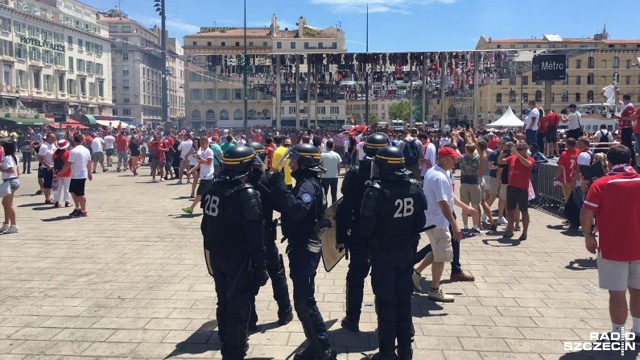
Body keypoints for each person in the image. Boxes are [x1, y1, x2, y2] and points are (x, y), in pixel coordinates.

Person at [268, 143, 337, 360]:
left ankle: (322, 349)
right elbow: (290, 207)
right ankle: (316, 346)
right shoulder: (305, 183)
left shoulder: (308, 186)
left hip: (305, 249)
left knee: (304, 301)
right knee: (302, 300)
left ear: (304, 163)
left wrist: (280, 187)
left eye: (293, 160)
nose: (289, 163)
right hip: (301, 247)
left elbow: (298, 210)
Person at [358, 145, 427, 360]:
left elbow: (365, 229)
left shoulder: (375, 192)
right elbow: (421, 223)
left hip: (383, 254)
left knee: (387, 302)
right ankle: (406, 350)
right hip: (406, 254)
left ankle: (387, 352)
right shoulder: (414, 188)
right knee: (404, 301)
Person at [200, 145, 268, 360]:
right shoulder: (246, 193)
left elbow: (205, 226)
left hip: (218, 254)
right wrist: (261, 266)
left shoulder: (213, 188)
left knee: (223, 301)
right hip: (238, 257)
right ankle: (234, 352)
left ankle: (226, 343)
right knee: (239, 306)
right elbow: (256, 236)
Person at [581, 145, 640, 343]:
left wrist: (589, 235)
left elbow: (586, 213)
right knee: (638, 290)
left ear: (609, 162)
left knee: (617, 292)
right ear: (630, 161)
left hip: (613, 247)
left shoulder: (602, 184)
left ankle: (618, 333)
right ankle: (638, 331)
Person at [336, 132, 389, 333]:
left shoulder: (356, 173)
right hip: (385, 236)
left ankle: (352, 319)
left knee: (356, 277)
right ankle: (384, 323)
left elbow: (344, 207)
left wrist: (341, 237)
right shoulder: (394, 175)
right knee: (383, 279)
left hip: (359, 233)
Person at [414, 147, 477, 302]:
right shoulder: (439, 177)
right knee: (441, 256)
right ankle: (435, 289)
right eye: (452, 158)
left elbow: (449, 197)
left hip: (435, 220)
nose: (455, 161)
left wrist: (465, 207)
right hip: (437, 221)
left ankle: (416, 272)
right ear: (443, 159)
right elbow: (443, 203)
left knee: (438, 251)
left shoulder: (441, 172)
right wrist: (454, 224)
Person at [245, 141, 293, 330]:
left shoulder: (243, 182)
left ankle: (250, 319)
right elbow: (283, 207)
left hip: (248, 238)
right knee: (277, 274)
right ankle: (285, 311)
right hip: (264, 236)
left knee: (248, 278)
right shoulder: (266, 180)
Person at [499, 141, 534, 240]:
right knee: (509, 210)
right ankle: (510, 230)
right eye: (516, 148)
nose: (517, 151)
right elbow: (501, 161)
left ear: (526, 149)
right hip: (511, 187)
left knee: (524, 211)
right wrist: (501, 153)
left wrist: (517, 154)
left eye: (520, 149)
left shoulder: (529, 158)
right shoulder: (512, 158)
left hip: (522, 188)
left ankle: (524, 232)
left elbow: (528, 164)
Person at [62, 134, 93, 217]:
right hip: (79, 174)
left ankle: (83, 210)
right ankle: (77, 208)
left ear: (74, 141)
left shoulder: (74, 151)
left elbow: (69, 163)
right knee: (72, 191)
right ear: (82, 141)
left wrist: (62, 172)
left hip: (78, 174)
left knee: (80, 193)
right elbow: (89, 163)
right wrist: (90, 173)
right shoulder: (86, 150)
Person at [183, 137, 214, 215]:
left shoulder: (209, 151)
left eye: (203, 142)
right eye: (201, 142)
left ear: (207, 142)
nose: (202, 144)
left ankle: (191, 208)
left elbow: (208, 162)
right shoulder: (203, 151)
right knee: (207, 193)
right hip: (204, 176)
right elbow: (199, 164)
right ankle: (209, 208)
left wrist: (199, 157)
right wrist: (191, 171)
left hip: (207, 176)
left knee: (199, 193)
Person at [1, 141, 20, 234]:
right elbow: (17, 170)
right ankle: (6, 223)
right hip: (14, 180)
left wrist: (1, 169)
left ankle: (13, 225)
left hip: (10, 180)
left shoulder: (7, 157)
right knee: (6, 203)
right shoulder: (15, 157)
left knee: (8, 204)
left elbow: (11, 169)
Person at [555, 138, 580, 202]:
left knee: (568, 198)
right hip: (577, 179)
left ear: (567, 145)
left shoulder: (564, 154)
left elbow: (560, 167)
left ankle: (570, 211)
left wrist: (556, 177)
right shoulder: (578, 152)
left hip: (567, 178)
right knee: (577, 198)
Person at [320, 140, 341, 205]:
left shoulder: (322, 155)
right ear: (333, 146)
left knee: (324, 194)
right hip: (334, 176)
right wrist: (337, 173)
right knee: (334, 194)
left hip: (325, 176)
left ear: (326, 146)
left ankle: (324, 208)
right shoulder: (336, 155)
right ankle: (334, 209)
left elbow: (320, 166)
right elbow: (339, 165)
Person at [37, 133, 56, 204]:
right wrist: (47, 165)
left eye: (55, 137)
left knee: (51, 183)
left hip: (53, 166)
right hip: (47, 168)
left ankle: (49, 196)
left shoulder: (53, 145)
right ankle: (47, 199)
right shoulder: (44, 146)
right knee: (47, 183)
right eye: (52, 137)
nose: (54, 138)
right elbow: (40, 157)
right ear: (47, 138)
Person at [52, 139, 71, 208]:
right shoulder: (68, 153)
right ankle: (67, 202)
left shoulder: (55, 153)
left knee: (58, 187)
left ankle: (56, 202)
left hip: (57, 172)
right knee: (67, 188)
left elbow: (52, 160)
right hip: (67, 172)